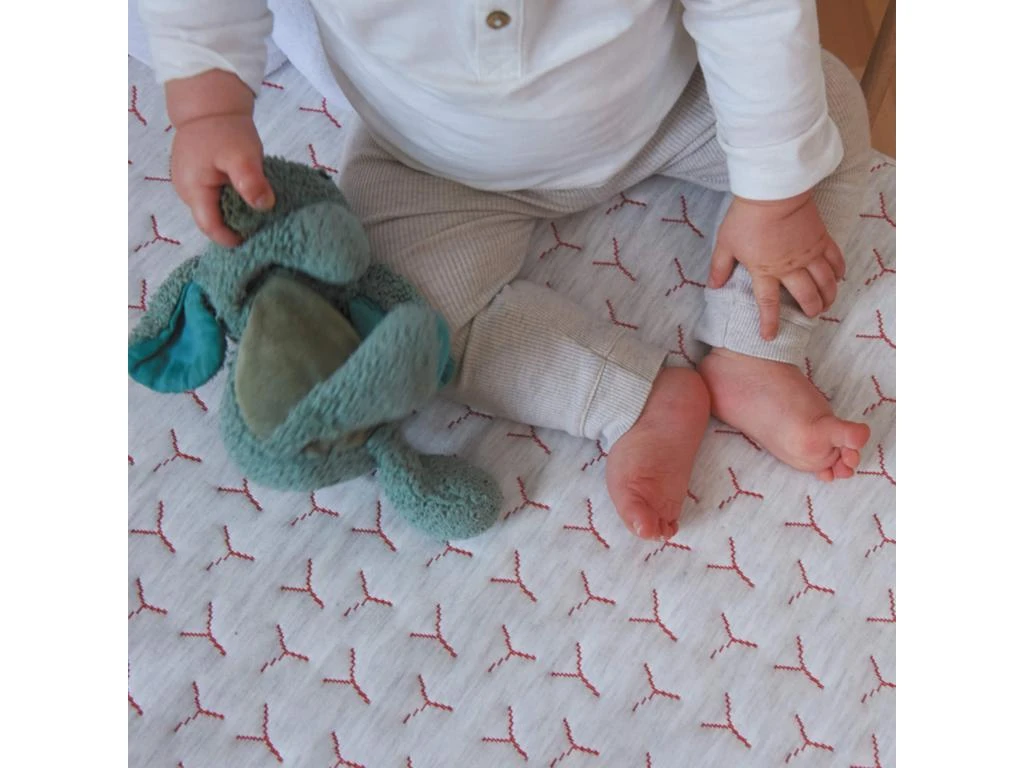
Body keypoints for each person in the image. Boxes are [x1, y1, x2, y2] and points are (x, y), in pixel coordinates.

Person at [140, 0, 872, 541]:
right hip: (429, 157)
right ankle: (629, 397)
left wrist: (774, 195)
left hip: (666, 106)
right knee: (400, 314)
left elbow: (751, 12)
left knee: (822, 118)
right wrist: (208, 108)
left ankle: (754, 345)